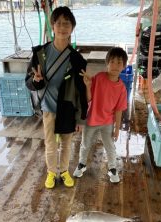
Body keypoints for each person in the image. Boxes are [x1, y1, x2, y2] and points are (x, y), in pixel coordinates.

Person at [25, 6, 87, 189]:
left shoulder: (77, 59)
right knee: (51, 144)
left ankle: (65, 171)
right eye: (59, 23)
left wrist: (80, 118)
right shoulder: (39, 54)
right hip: (48, 108)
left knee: (67, 144)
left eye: (67, 23)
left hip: (68, 109)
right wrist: (36, 81)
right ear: (52, 26)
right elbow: (28, 82)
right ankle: (52, 172)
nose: (62, 27)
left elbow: (81, 91)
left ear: (72, 28)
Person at [73, 47, 128, 183]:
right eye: (112, 62)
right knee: (85, 144)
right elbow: (88, 99)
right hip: (91, 120)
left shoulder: (122, 88)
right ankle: (81, 164)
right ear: (107, 63)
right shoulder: (99, 77)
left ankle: (112, 168)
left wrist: (116, 129)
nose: (115, 66)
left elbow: (119, 110)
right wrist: (87, 85)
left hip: (108, 122)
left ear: (124, 66)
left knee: (110, 146)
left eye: (119, 63)